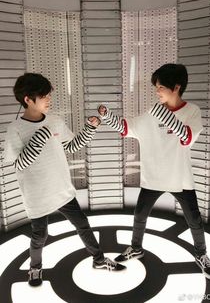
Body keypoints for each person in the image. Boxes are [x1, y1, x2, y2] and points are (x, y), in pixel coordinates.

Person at [4, 73, 126, 287]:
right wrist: (40, 137)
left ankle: (98, 260)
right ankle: (35, 268)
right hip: (37, 197)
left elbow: (71, 146)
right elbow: (19, 164)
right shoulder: (15, 129)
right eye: (44, 96)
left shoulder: (54, 120)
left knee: (83, 225)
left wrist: (90, 128)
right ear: (28, 100)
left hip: (61, 189)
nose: (49, 99)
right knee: (40, 236)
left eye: (48, 95)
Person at [98, 63, 210, 280]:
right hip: (152, 177)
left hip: (180, 178)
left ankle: (201, 255)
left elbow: (187, 138)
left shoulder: (192, 111)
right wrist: (108, 117)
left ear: (176, 87)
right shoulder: (154, 112)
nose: (156, 91)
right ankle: (136, 248)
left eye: (160, 87)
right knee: (139, 215)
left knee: (194, 220)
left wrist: (162, 114)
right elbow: (128, 128)